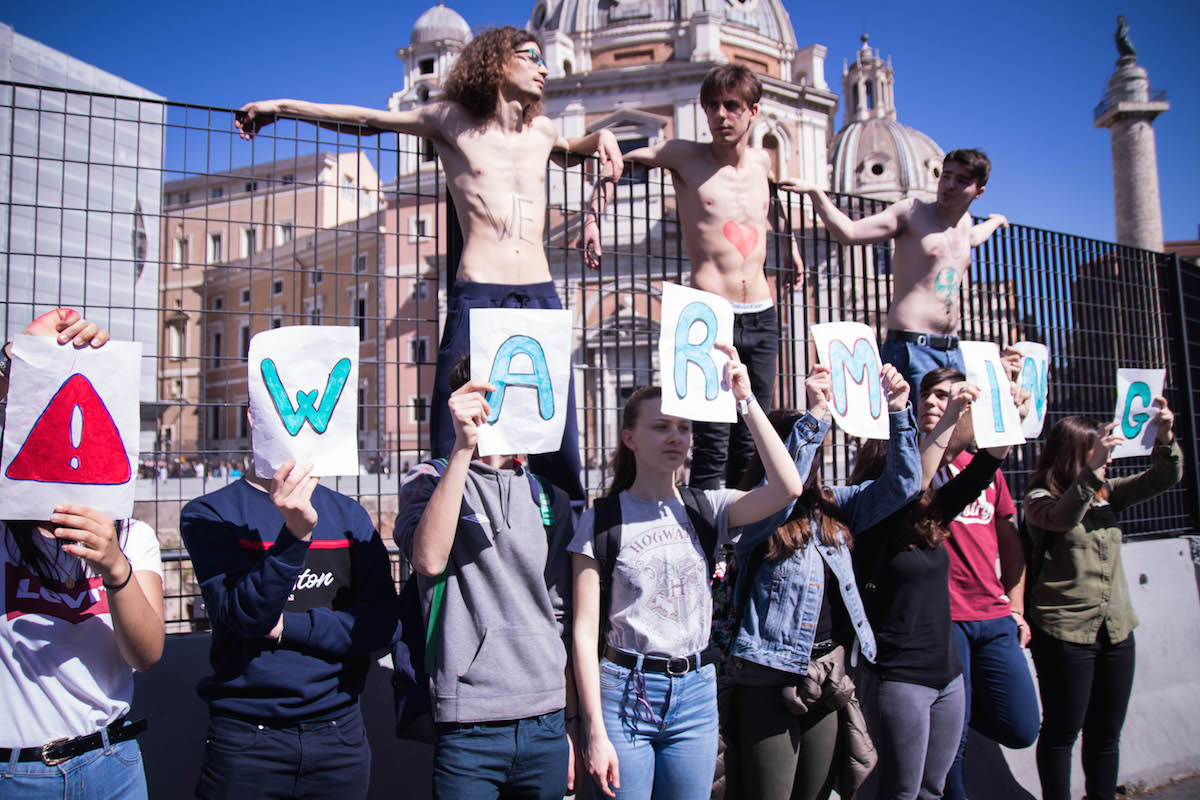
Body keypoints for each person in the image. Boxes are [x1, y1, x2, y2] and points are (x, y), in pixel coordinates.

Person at [236, 27, 623, 502]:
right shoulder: (449, 120)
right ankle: (442, 533)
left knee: (554, 427)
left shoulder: (542, 132)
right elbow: (364, 119)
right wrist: (281, 107)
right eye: (530, 58)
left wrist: (597, 190)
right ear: (498, 63)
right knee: (453, 419)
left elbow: (591, 155)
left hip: (540, 291)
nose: (543, 69)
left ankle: (566, 540)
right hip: (479, 290)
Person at [571, 344, 806, 800]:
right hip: (624, 693)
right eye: (660, 427)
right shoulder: (600, 519)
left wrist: (746, 399)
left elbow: (787, 486)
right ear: (630, 438)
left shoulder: (708, 508)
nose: (676, 437)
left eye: (684, 428)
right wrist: (593, 730)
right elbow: (583, 632)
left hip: (696, 693)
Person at [727, 363, 921, 800]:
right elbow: (784, 491)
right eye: (803, 442)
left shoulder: (835, 506)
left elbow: (905, 484)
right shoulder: (752, 514)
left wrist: (898, 412)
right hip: (769, 674)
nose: (814, 454)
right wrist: (814, 417)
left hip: (828, 670)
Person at [394, 355, 577, 799]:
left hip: (546, 721)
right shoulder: (428, 479)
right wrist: (462, 448)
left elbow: (559, 614)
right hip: (469, 726)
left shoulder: (549, 497)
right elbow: (428, 560)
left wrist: (569, 726)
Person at [0, 309, 164, 799]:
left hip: (112, 763)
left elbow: (147, 655)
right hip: (15, 773)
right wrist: (21, 363)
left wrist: (116, 569)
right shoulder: (6, 531)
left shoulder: (134, 537)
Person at [614, 64, 802, 490]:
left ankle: (742, 539)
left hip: (762, 313)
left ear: (753, 111)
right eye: (712, 106)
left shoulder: (761, 161)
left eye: (731, 106)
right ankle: (709, 539)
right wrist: (594, 207)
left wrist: (789, 247)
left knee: (753, 431)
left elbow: (770, 207)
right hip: (710, 314)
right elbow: (626, 159)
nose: (720, 115)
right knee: (713, 438)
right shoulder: (684, 155)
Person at [181, 436, 399, 797]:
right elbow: (247, 616)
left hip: (340, 733)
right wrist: (296, 534)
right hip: (247, 739)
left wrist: (287, 626)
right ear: (253, 416)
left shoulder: (349, 515)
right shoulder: (210, 514)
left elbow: (382, 626)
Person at [851, 375, 1026, 800]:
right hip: (900, 680)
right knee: (903, 791)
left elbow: (985, 467)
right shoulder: (870, 525)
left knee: (933, 788)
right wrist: (949, 415)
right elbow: (909, 484)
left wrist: (1007, 414)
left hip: (947, 677)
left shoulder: (933, 519)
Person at [1024, 406, 1182, 800]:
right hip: (1064, 633)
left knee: (1106, 735)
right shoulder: (1038, 499)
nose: (1107, 460)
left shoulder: (1106, 493)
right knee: (1062, 731)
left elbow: (1164, 477)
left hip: (1115, 629)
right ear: (1072, 454)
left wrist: (1164, 438)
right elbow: (1063, 518)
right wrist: (1091, 469)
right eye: (1096, 452)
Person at [782, 149, 1009, 394]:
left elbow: (975, 237)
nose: (949, 185)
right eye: (946, 176)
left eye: (962, 180)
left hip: (952, 349)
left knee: (948, 429)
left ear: (979, 192)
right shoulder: (912, 213)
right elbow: (849, 233)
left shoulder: (965, 225)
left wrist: (995, 222)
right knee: (908, 426)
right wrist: (816, 194)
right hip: (912, 346)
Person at [921, 366, 1039, 800]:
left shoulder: (988, 469)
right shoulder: (914, 463)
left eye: (948, 396)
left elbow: (1011, 542)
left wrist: (1017, 607)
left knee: (1022, 726)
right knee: (955, 746)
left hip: (993, 618)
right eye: (929, 395)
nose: (936, 403)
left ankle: (958, 711)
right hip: (944, 622)